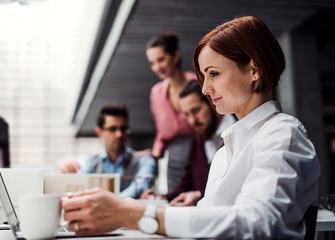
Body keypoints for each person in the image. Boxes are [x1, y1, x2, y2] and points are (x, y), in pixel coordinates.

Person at [61, 16, 321, 239]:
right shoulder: (227, 149)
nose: (206, 89)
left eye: (214, 73)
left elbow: (255, 222)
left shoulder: (282, 133)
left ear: (253, 70)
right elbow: (206, 218)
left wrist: (135, 214)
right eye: (203, 77)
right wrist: (127, 208)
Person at [141, 80, 236, 206]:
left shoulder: (239, 134)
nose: (192, 121)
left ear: (212, 103)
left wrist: (199, 195)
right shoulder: (198, 138)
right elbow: (186, 185)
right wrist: (161, 197)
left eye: (196, 111)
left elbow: (235, 188)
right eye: (187, 114)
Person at [58, 104, 156, 199]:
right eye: (112, 129)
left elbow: (140, 187)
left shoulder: (144, 160)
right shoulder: (89, 163)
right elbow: (75, 189)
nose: (119, 134)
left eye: (123, 128)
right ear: (99, 132)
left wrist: (106, 202)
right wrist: (64, 171)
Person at [145, 32, 196, 192]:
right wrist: (154, 152)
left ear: (175, 55)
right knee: (175, 201)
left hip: (201, 154)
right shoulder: (156, 93)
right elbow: (161, 133)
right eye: (152, 63)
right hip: (172, 160)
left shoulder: (198, 85)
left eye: (161, 59)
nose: (157, 67)